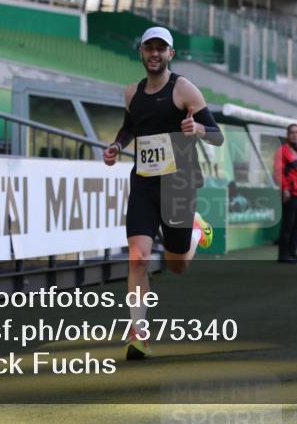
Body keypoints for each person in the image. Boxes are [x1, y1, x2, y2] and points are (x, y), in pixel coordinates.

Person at [103, 26, 224, 360]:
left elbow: (217, 135)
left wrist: (197, 128)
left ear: (171, 53)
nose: (154, 54)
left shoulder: (184, 89)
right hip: (144, 182)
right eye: (149, 48)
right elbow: (130, 128)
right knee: (137, 256)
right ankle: (137, 334)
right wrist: (117, 146)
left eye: (161, 48)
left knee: (177, 265)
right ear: (141, 52)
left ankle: (195, 231)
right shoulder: (131, 93)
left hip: (179, 184)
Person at [273, 123, 297, 263]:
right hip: (290, 194)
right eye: (292, 132)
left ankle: (293, 253)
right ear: (287, 135)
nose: (295, 135)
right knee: (287, 226)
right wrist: (285, 189)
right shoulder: (282, 151)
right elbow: (278, 173)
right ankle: (284, 255)